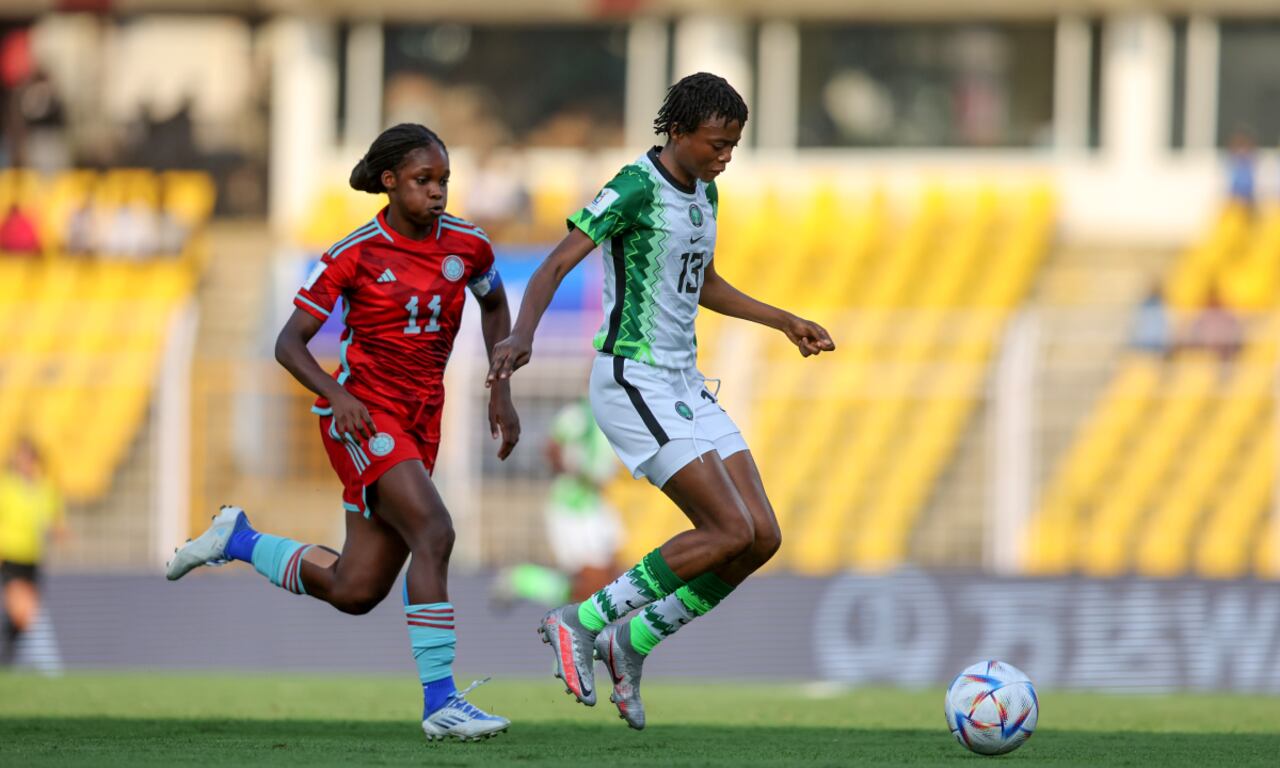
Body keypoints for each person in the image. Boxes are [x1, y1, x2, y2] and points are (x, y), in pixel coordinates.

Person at [486, 73, 835, 730]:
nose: (725, 156)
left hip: (684, 382)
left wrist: (783, 319)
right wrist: (522, 334)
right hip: (633, 378)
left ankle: (630, 643)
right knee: (726, 529)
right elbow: (557, 262)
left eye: (733, 145)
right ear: (677, 132)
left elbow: (699, 281)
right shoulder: (635, 186)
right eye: (717, 143)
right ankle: (581, 621)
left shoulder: (706, 191)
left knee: (760, 538)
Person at [166, 124, 520, 741]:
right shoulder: (355, 252)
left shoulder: (470, 245)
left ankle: (240, 538)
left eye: (443, 181)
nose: (437, 193)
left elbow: (493, 305)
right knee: (435, 529)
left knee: (356, 588)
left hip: (421, 421)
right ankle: (442, 701)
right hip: (363, 415)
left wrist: (501, 386)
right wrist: (337, 395)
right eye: (423, 181)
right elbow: (288, 342)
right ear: (389, 183)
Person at [492, 397, 622, 609]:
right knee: (593, 588)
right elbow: (552, 447)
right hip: (573, 505)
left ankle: (524, 579)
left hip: (598, 503)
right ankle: (525, 580)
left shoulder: (620, 416)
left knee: (612, 583)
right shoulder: (581, 414)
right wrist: (579, 473)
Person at [0, 437, 65, 666]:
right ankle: (50, 667)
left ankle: (6, 664)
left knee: (16, 622)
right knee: (26, 611)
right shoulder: (6, 487)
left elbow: (52, 520)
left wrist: (57, 531)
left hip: (33, 560)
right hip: (10, 558)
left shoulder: (45, 489)